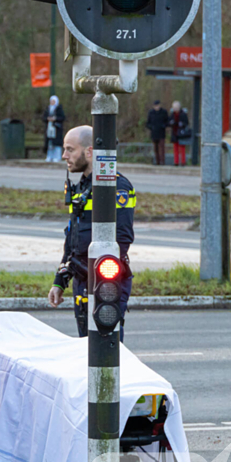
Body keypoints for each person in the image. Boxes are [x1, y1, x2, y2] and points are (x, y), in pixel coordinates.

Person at [47, 126, 136, 338]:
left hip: (105, 281)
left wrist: (101, 279)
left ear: (89, 152)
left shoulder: (117, 186)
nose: (64, 156)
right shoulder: (81, 187)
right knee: (86, 345)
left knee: (106, 343)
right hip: (81, 279)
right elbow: (72, 239)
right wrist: (60, 280)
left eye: (70, 149)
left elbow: (122, 238)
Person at [42, 95, 66, 163]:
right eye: (51, 101)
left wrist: (55, 119)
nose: (52, 102)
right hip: (49, 129)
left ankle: (57, 157)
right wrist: (47, 119)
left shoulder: (59, 109)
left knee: (56, 144)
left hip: (56, 129)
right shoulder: (48, 109)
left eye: (53, 101)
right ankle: (49, 156)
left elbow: (62, 118)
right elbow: (44, 117)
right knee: (49, 143)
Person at [146, 100, 168, 166]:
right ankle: (157, 161)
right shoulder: (151, 113)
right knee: (156, 148)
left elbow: (167, 121)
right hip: (154, 133)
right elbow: (148, 123)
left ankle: (162, 161)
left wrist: (163, 126)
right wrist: (151, 127)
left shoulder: (164, 112)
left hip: (161, 132)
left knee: (161, 148)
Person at [169, 101, 190, 167]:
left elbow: (186, 123)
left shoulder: (183, 114)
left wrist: (182, 124)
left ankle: (183, 162)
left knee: (182, 148)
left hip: (181, 133)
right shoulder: (172, 114)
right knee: (175, 148)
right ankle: (176, 162)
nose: (175, 109)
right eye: (174, 107)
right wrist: (171, 123)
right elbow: (169, 121)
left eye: (176, 107)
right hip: (174, 133)